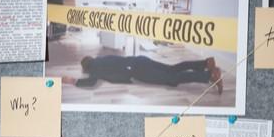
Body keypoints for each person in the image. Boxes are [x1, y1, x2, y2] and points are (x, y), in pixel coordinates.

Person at [62, 55, 223, 95]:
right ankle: (205, 63)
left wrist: (74, 81)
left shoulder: (95, 68)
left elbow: (91, 83)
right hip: (140, 59)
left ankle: (209, 75)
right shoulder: (101, 58)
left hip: (138, 70)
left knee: (172, 79)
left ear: (87, 68)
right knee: (172, 69)